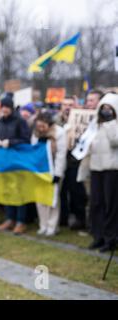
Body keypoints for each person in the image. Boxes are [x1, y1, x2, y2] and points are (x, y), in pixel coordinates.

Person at [78, 93, 118, 252]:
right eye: (103, 108)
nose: (105, 111)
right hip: (96, 168)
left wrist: (110, 123)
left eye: (109, 108)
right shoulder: (94, 124)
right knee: (96, 203)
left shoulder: (113, 124)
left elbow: (115, 141)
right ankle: (98, 235)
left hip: (112, 169)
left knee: (111, 205)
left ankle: (111, 237)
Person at [0, 97, 31, 235]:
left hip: (18, 159)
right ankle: (9, 218)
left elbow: (26, 140)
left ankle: (21, 221)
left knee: (19, 190)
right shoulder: (0, 121)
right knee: (8, 189)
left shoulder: (20, 121)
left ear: (11, 107)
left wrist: (11, 142)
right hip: (5, 159)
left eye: (7, 106)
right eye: (2, 106)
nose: (4, 109)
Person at [31, 112, 67, 236]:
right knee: (40, 199)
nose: (40, 129)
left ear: (49, 124)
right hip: (40, 171)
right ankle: (43, 224)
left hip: (53, 170)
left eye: (43, 126)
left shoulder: (59, 133)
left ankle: (52, 225)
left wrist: (57, 173)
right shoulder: (36, 133)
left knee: (53, 199)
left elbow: (61, 154)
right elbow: (34, 150)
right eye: (38, 126)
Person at [57, 96, 88, 230]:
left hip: (75, 161)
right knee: (62, 192)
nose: (67, 107)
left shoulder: (81, 120)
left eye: (70, 105)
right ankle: (63, 218)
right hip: (60, 161)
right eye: (65, 105)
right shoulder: (57, 122)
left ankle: (79, 218)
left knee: (77, 192)